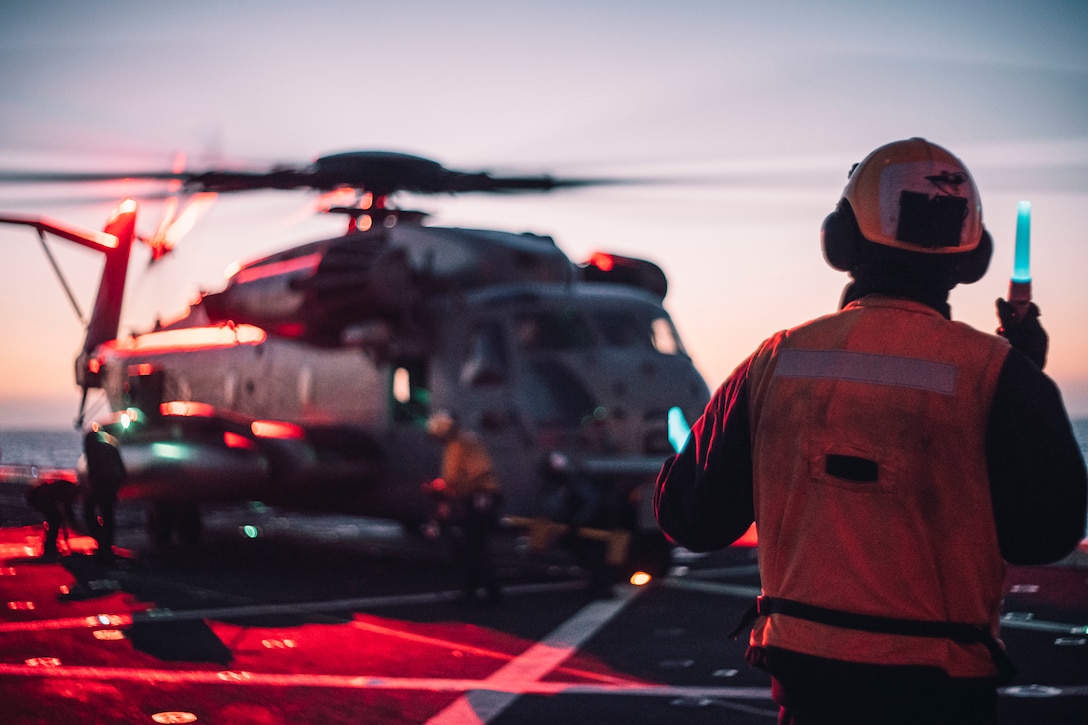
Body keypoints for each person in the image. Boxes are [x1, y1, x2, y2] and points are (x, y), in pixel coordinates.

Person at [654, 138, 1088, 725]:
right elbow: (1044, 537)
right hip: (945, 691)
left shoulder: (776, 360)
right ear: (970, 256)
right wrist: (1024, 381)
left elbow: (691, 519)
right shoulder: (997, 373)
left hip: (807, 685)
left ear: (842, 240)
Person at [425, 410, 503, 606]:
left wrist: (440, 488)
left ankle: (490, 594)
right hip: (484, 496)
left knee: (476, 546)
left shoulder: (457, 445)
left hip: (478, 497)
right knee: (475, 545)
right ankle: (475, 590)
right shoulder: (467, 439)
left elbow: (455, 478)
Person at [81, 426, 126, 564]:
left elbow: (94, 470)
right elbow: (121, 470)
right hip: (108, 485)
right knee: (106, 515)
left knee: (97, 513)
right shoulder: (110, 446)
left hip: (105, 485)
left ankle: (104, 546)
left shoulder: (95, 448)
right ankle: (105, 545)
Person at [24, 475, 80, 558]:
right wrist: (76, 527)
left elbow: (65, 511)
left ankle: (51, 546)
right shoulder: (70, 491)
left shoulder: (69, 487)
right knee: (55, 519)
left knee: (55, 518)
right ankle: (50, 548)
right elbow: (68, 511)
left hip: (40, 495)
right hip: (36, 496)